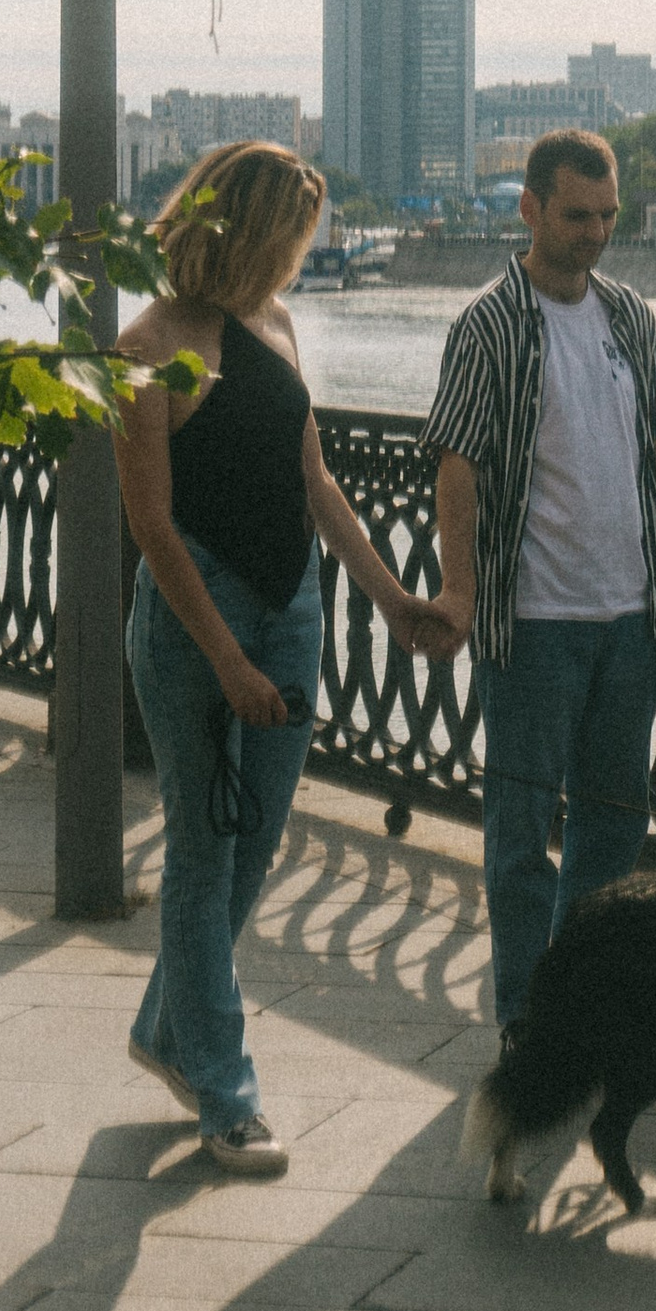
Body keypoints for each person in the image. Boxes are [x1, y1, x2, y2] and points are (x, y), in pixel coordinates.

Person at [113, 139, 430, 1175]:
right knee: (203, 850)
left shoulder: (277, 327)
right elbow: (153, 529)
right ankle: (227, 1097)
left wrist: (390, 600)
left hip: (293, 606)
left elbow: (316, 483)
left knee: (254, 847)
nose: (297, 261)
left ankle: (169, 1026)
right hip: (191, 614)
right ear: (241, 233)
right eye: (288, 240)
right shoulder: (146, 347)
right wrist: (226, 664)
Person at [419, 128, 656, 1047]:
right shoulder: (490, 324)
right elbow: (454, 465)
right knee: (520, 840)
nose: (597, 233)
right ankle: (523, 1015)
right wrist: (458, 592)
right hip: (533, 625)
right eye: (578, 216)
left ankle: (581, 1000)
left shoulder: (628, 314)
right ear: (531, 208)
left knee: (614, 837)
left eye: (609, 215)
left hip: (630, 622)